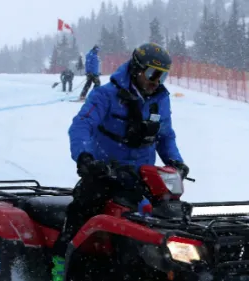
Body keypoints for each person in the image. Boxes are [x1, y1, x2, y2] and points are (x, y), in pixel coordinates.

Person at [50, 42, 189, 281]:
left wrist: (176, 162)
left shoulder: (159, 99)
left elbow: (165, 135)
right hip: (105, 173)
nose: (156, 81)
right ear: (136, 69)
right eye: (152, 73)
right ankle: (60, 267)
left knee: (170, 220)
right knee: (81, 214)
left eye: (163, 75)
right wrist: (85, 158)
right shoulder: (106, 95)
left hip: (143, 177)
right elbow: (81, 125)